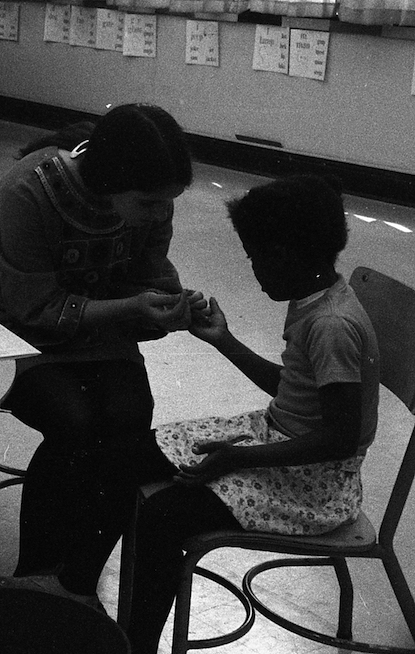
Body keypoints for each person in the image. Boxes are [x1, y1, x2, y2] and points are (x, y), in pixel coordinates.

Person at [120, 175, 378, 651]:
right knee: (134, 453)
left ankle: (133, 644)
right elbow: (296, 391)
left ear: (286, 253)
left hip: (314, 484)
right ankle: (98, 608)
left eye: (256, 256)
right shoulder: (314, 297)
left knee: (163, 516)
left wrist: (237, 459)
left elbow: (341, 437)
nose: (254, 270)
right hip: (282, 444)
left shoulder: (331, 325)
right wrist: (224, 340)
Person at [0, 103, 204, 607]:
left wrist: (175, 302)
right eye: (149, 203)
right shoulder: (28, 189)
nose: (161, 213)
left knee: (130, 419)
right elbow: (33, 308)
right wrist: (134, 306)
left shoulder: (148, 199)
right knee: (76, 422)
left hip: (99, 330)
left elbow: (149, 269)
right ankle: (35, 573)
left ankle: (77, 581)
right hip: (15, 331)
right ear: (109, 179)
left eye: (170, 202)